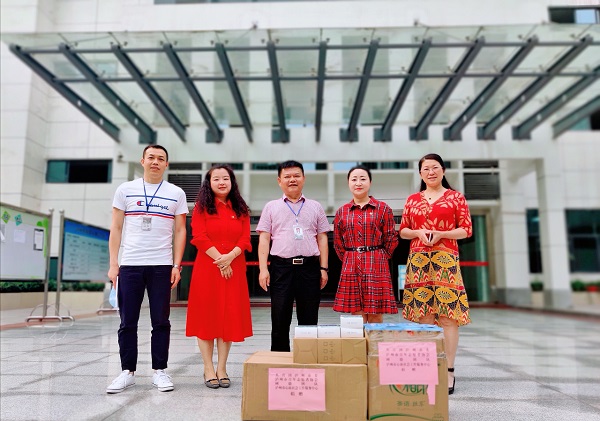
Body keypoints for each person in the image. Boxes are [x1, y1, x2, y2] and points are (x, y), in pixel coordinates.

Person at [106, 145, 188, 394]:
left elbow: (180, 230)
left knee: (160, 321)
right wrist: (114, 264)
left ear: (166, 164)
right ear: (142, 161)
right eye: (151, 157)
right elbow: (116, 228)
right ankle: (127, 372)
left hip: (161, 265)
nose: (155, 162)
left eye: (161, 158)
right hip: (130, 264)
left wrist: (176, 265)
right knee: (127, 321)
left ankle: (159, 371)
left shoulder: (176, 193)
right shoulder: (125, 190)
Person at [399, 153, 472, 395]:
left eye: (435, 168)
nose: (431, 172)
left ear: (443, 171)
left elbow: (466, 230)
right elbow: (403, 230)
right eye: (426, 169)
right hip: (419, 261)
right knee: (425, 316)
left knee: (449, 317)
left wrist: (442, 234)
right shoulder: (412, 200)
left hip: (446, 260)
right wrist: (418, 232)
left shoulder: (455, 198)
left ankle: (449, 370)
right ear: (420, 174)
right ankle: (427, 368)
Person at [186, 164, 252, 389]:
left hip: (234, 268)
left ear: (232, 182)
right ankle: (208, 368)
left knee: (228, 318)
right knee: (207, 317)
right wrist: (221, 260)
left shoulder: (241, 209)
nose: (221, 182)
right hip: (208, 268)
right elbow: (199, 236)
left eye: (226, 178)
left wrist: (229, 257)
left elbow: (245, 239)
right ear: (209, 183)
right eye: (216, 179)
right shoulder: (201, 208)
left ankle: (222, 368)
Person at [256, 160, 330, 352]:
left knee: (309, 318)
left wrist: (323, 268)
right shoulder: (271, 207)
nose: (292, 180)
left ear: (304, 178)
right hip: (281, 268)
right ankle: (280, 360)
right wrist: (263, 269)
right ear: (279, 181)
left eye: (296, 175)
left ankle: (308, 358)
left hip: (309, 268)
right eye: (287, 176)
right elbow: (264, 239)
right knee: (280, 317)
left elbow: (322, 238)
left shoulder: (315, 206)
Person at [333, 165, 399, 323]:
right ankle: (358, 341)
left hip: (376, 263)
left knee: (376, 313)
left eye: (363, 179)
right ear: (348, 183)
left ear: (370, 182)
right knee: (357, 314)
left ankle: (375, 341)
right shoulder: (342, 211)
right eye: (354, 179)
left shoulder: (383, 209)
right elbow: (338, 242)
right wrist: (349, 257)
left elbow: (391, 237)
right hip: (351, 263)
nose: (358, 183)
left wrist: (381, 256)